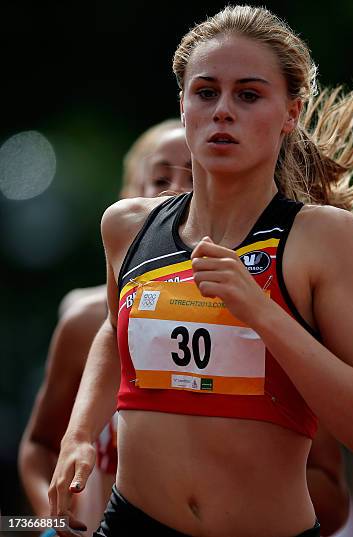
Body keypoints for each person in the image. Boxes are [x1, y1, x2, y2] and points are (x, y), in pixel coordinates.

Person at [49, 6, 353, 537]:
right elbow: (111, 332)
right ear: (183, 105)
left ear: (291, 113)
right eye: (206, 92)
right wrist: (78, 435)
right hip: (134, 522)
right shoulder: (126, 226)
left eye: (249, 95)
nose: (223, 111)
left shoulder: (326, 238)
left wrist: (260, 311)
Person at [19, 119, 192, 536]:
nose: (172, 190)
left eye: (193, 177)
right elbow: (40, 446)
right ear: (127, 199)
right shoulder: (85, 321)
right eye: (158, 178)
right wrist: (50, 523)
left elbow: (330, 484)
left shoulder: (267, 302)